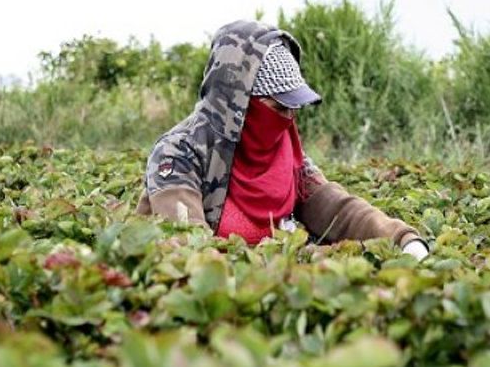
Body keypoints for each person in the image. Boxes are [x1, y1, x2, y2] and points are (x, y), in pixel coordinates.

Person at [136, 20, 429, 260]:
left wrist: (403, 239)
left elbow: (339, 209)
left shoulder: (287, 155)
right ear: (238, 103)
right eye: (279, 107)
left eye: (293, 108)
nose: (288, 118)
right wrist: (307, 259)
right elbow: (189, 247)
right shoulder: (180, 153)